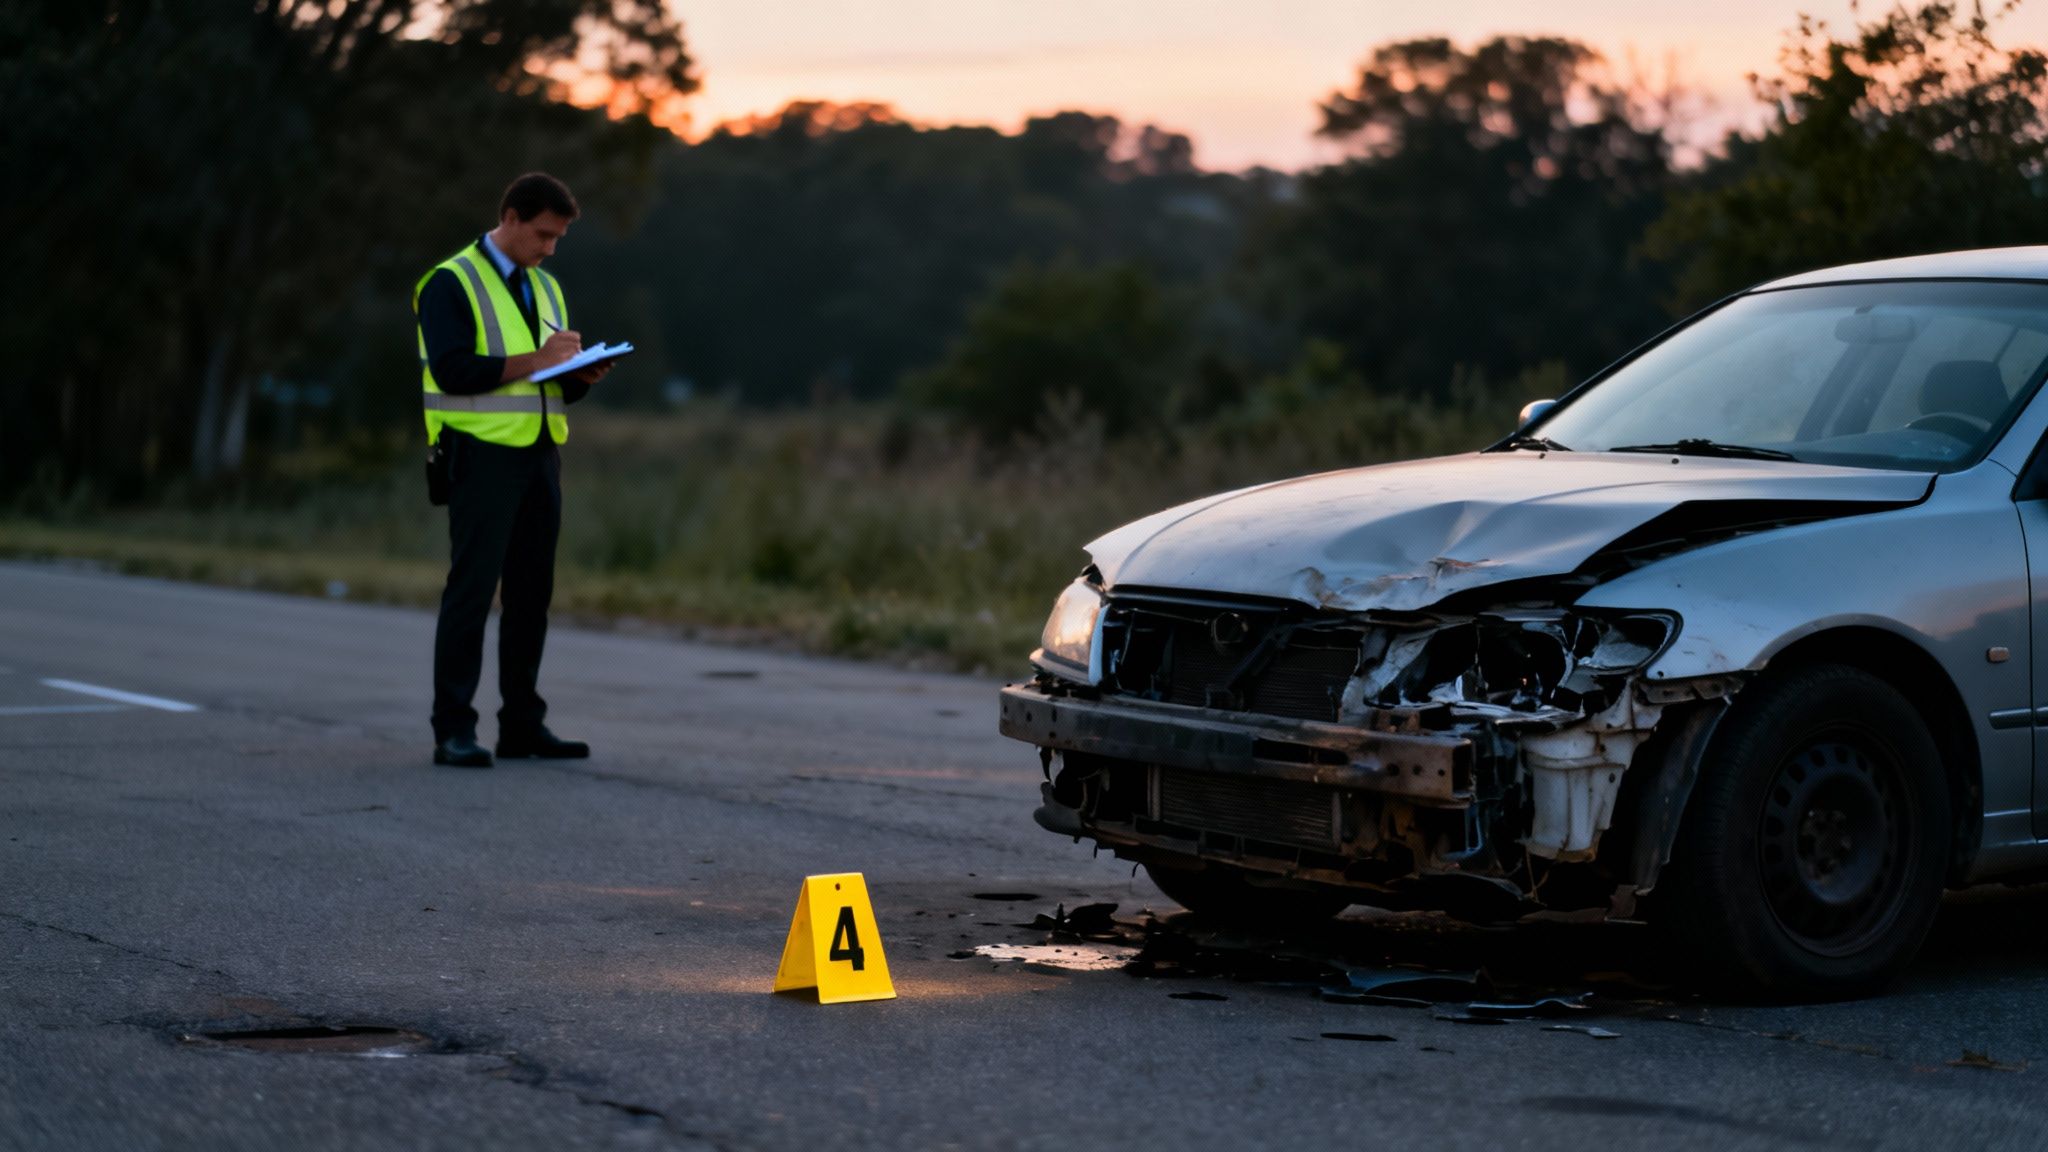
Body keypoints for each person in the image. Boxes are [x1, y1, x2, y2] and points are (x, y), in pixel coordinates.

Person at [414, 172, 613, 768]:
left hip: (541, 455)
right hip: (479, 454)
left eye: (558, 239)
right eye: (543, 235)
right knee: (471, 592)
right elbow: (454, 371)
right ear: (511, 217)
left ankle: (523, 725)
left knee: (532, 595)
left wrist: (577, 378)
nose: (549, 248)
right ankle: (453, 729)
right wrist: (540, 362)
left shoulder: (546, 288)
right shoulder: (449, 282)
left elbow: (542, 384)